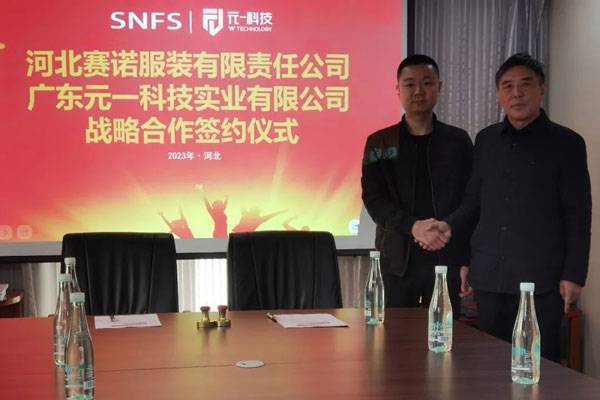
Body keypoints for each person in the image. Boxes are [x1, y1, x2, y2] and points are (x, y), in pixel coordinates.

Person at [427, 53, 591, 363]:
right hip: (490, 278)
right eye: (508, 86)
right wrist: (460, 249)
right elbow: (474, 201)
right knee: (490, 366)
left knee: (537, 365)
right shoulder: (486, 140)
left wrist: (574, 275)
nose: (517, 93)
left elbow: (578, 215)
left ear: (541, 90)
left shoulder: (567, 143)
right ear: (498, 94)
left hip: (541, 282)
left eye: (525, 84)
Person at [361, 54, 473, 312]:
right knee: (393, 335)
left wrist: (464, 253)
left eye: (427, 83)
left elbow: (471, 199)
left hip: (447, 261)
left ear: (439, 87)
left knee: (445, 334)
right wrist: (413, 227)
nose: (419, 91)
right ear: (398, 89)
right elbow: (373, 198)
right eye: (410, 84)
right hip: (397, 263)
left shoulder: (458, 141)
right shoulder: (380, 142)